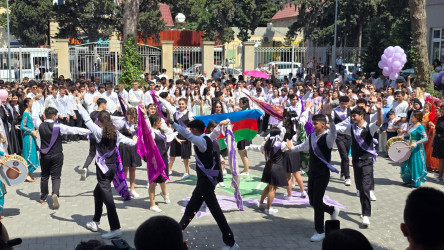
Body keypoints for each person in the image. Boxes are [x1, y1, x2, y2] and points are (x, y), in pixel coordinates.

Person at [172, 119, 238, 250]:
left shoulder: (201, 141)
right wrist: (220, 125)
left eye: (192, 129)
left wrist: (172, 124)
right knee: (191, 208)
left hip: (206, 183)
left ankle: (231, 243)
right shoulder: (207, 138)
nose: (190, 131)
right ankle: (177, 233)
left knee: (216, 212)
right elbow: (215, 133)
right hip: (203, 183)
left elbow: (187, 135)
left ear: (196, 130)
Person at [76, 95, 136, 239]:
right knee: (98, 193)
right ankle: (95, 221)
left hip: (103, 171)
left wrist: (78, 103)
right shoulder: (115, 132)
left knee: (109, 200)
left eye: (98, 120)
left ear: (100, 121)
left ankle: (115, 228)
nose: (96, 121)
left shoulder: (98, 131)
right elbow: (131, 143)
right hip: (112, 169)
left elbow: (86, 119)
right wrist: (136, 139)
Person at [288, 103, 340, 242]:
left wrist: (330, 116)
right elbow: (302, 147)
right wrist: (291, 148)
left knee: (317, 201)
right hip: (312, 172)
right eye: (313, 123)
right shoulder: (311, 137)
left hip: (323, 174)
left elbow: (334, 132)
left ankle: (320, 231)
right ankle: (331, 210)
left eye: (316, 123)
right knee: (312, 200)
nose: (314, 125)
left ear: (323, 124)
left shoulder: (328, 138)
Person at [337, 102, 383, 227]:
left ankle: (366, 215)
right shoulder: (350, 128)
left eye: (354, 116)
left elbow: (380, 122)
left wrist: (379, 110)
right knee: (360, 187)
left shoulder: (370, 127)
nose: (352, 118)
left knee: (365, 187)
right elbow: (336, 129)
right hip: (356, 161)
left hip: (367, 161)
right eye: (352, 116)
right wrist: (329, 119)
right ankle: (364, 209)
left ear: (361, 116)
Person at [39, 107, 90, 209]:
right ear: (54, 116)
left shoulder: (40, 125)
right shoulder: (58, 126)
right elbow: (73, 130)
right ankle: (55, 193)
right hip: (57, 154)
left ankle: (43, 198)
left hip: (44, 155)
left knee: (44, 176)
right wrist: (89, 131)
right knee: (56, 176)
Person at [246, 127, 288, 214]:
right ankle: (268, 209)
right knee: (273, 188)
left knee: (268, 186)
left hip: (268, 167)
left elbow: (257, 148)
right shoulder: (281, 144)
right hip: (277, 168)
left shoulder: (267, 143)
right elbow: (291, 149)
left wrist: (248, 147)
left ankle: (261, 203)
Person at [80, 98, 108, 180]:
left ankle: (85, 167)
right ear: (103, 105)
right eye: (105, 105)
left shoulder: (92, 113)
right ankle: (103, 170)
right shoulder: (105, 114)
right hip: (101, 136)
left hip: (92, 135)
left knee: (92, 153)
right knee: (103, 153)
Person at [118, 108, 142, 198]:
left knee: (133, 168)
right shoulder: (122, 123)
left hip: (134, 147)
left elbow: (141, 134)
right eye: (131, 116)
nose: (132, 119)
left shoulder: (136, 124)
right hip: (124, 147)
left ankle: (132, 189)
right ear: (127, 114)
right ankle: (124, 189)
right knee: (124, 169)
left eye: (134, 117)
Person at [400, 111, 428, 187]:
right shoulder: (412, 125)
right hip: (409, 146)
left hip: (417, 148)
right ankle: (408, 179)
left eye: (413, 116)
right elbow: (411, 137)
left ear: (417, 118)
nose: (411, 117)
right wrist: (404, 137)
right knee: (406, 163)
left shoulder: (420, 127)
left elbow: (425, 138)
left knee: (414, 164)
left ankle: (415, 182)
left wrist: (416, 143)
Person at [332, 96, 352, 186]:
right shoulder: (335, 111)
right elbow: (331, 123)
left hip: (348, 136)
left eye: (346, 103)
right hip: (339, 136)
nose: (344, 105)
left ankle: (343, 172)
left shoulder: (351, 111)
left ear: (349, 103)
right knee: (344, 156)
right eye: (342, 103)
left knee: (346, 155)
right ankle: (347, 177)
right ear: (339, 103)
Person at [19, 98, 40, 182]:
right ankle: (26, 175)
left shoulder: (30, 113)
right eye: (31, 101)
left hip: (32, 136)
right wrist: (31, 131)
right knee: (28, 154)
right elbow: (22, 126)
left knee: (33, 154)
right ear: (27, 103)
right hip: (28, 137)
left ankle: (30, 174)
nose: (32, 103)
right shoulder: (25, 114)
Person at [432, 107, 444, 182]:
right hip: (439, 140)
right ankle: (440, 176)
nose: (443, 111)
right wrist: (433, 140)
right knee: (441, 158)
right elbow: (436, 130)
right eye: (442, 109)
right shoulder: (440, 119)